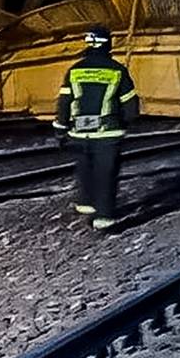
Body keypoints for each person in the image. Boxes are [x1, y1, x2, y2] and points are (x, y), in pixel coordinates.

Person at [52, 24, 140, 230]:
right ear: (108, 45)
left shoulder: (74, 70)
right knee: (105, 173)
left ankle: (86, 204)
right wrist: (126, 122)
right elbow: (131, 107)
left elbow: (64, 102)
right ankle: (104, 218)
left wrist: (60, 129)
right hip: (108, 133)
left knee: (85, 169)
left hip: (79, 133)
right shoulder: (118, 71)